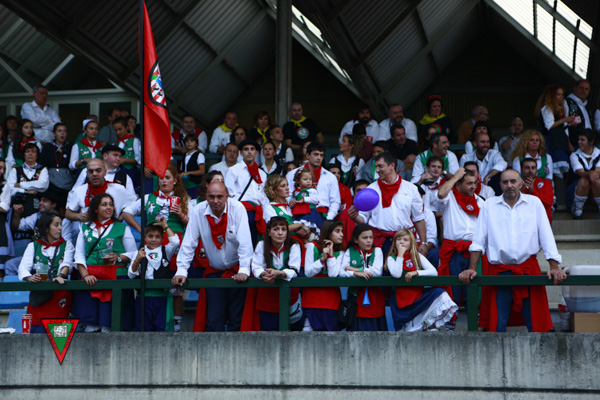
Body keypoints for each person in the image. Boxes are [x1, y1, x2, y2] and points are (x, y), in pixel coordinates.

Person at [459, 169, 566, 332]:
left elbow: (546, 237)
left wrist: (554, 267)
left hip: (528, 270)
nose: (509, 185)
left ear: (521, 183)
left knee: (537, 324)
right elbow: (478, 240)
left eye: (513, 181)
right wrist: (471, 268)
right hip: (499, 272)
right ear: (500, 185)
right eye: (505, 182)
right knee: (496, 326)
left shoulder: (534, 203)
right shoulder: (489, 205)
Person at [173, 182, 253, 332]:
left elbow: (245, 241)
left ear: (227, 196)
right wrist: (181, 270)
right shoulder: (198, 211)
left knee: (237, 320)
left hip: (237, 273)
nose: (215, 201)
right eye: (211, 197)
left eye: (219, 197)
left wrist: (244, 269)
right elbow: (189, 242)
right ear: (206, 196)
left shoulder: (237, 208)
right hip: (215, 272)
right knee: (214, 320)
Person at [73, 193, 137, 332]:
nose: (109, 207)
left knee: (113, 323)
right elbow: (79, 254)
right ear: (96, 209)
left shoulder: (122, 228)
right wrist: (85, 275)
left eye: (111, 204)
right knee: (91, 324)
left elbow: (133, 253)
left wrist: (118, 257)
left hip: (116, 276)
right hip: (91, 278)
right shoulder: (85, 228)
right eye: (104, 204)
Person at [348, 152, 427, 257]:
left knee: (405, 268)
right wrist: (355, 216)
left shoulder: (411, 188)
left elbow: (419, 218)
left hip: (404, 240)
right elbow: (363, 219)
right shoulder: (371, 190)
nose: (377, 170)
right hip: (380, 241)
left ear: (392, 166)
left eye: (380, 166)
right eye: (376, 166)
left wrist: (423, 243)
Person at [435, 168, 484, 325]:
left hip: (474, 251)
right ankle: (450, 326)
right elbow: (440, 194)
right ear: (458, 184)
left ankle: (474, 325)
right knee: (451, 290)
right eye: (469, 183)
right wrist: (455, 176)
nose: (473, 186)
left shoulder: (480, 201)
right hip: (453, 251)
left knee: (474, 291)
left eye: (475, 183)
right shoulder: (450, 198)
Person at [387, 229, 457, 332]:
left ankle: (430, 325)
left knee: (439, 292)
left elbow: (434, 272)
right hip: (400, 300)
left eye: (405, 240)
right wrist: (400, 255)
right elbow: (396, 274)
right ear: (394, 242)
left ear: (411, 243)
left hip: (417, 296)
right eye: (399, 239)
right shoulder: (391, 258)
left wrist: (416, 272)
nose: (401, 242)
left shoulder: (417, 256)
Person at [17, 212, 74, 333]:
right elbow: (23, 268)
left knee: (59, 339)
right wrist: (30, 277)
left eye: (61, 225)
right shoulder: (33, 246)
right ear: (47, 228)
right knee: (36, 335)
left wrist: (61, 276)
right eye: (56, 225)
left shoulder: (67, 245)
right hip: (40, 296)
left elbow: (67, 264)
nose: (60, 228)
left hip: (59, 295)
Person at [127, 217, 180, 331]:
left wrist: (165, 225)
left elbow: (175, 242)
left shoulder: (166, 251)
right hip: (143, 297)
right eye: (150, 236)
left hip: (161, 298)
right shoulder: (139, 253)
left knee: (162, 329)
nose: (154, 240)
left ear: (162, 238)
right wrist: (137, 260)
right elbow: (131, 275)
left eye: (157, 236)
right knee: (144, 329)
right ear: (145, 237)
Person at [251, 217, 304, 331]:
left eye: (283, 229)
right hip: (267, 297)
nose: (280, 233)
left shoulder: (294, 245)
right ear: (269, 232)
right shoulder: (262, 244)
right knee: (268, 334)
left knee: (292, 333)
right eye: (276, 229)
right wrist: (264, 274)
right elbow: (256, 267)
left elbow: (295, 270)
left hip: (290, 297)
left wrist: (279, 273)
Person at [65, 159, 137, 239]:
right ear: (87, 174)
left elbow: (135, 204)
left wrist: (123, 215)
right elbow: (68, 213)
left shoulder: (118, 189)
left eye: (98, 170)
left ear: (105, 172)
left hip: (112, 235)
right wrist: (79, 216)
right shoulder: (79, 190)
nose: (94, 174)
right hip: (87, 236)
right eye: (91, 171)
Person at [338, 224, 385, 331]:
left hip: (374, 297)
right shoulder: (349, 251)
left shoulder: (377, 251)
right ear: (356, 239)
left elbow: (377, 272)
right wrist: (356, 273)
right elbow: (342, 272)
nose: (369, 241)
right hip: (355, 298)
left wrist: (355, 269)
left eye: (371, 237)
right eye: (365, 238)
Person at [303, 220, 345, 331]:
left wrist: (330, 256)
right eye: (337, 231)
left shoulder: (340, 252)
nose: (341, 234)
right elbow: (308, 272)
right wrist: (322, 259)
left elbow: (333, 274)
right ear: (328, 232)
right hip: (311, 300)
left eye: (342, 231)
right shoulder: (312, 246)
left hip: (332, 301)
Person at [225, 139, 268, 245]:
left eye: (252, 149)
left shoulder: (262, 174)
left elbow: (263, 196)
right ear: (241, 153)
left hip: (258, 211)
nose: (249, 152)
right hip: (240, 209)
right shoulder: (233, 170)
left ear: (256, 152)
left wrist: (267, 213)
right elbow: (228, 194)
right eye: (246, 149)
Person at [286, 141, 341, 221]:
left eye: (321, 155)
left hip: (323, 216)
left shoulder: (331, 177)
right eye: (316, 154)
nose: (319, 158)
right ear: (307, 155)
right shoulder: (292, 174)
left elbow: (335, 202)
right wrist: (292, 217)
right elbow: (287, 196)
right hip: (298, 215)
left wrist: (328, 218)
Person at [535, 84, 573, 176]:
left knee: (561, 172)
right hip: (551, 141)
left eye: (562, 94)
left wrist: (568, 142)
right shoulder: (547, 108)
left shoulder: (561, 109)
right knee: (551, 168)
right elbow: (549, 125)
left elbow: (564, 129)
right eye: (558, 94)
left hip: (560, 141)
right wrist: (565, 119)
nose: (561, 97)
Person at [4, 143, 49, 220]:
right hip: (18, 206)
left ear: (37, 155)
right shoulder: (15, 170)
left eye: (33, 151)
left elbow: (43, 185)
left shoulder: (43, 169)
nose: (30, 154)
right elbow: (9, 189)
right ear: (24, 154)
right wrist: (25, 191)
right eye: (27, 151)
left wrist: (20, 185)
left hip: (37, 206)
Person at [459, 129, 507, 194]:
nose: (486, 145)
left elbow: (502, 164)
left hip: (491, 186)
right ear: (475, 143)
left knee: (499, 175)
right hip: (471, 186)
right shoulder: (466, 158)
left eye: (488, 142)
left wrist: (487, 176)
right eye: (483, 142)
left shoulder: (494, 154)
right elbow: (461, 176)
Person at [39, 123, 74, 209]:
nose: (62, 133)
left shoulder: (70, 147)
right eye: (59, 131)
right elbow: (42, 163)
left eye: (64, 131)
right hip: (51, 178)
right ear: (54, 133)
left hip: (67, 179)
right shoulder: (48, 147)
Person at [569, 129, 600, 219]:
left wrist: (593, 174)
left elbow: (598, 172)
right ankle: (577, 211)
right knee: (584, 181)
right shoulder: (574, 155)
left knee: (597, 181)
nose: (579, 142)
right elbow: (581, 173)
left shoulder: (599, 153)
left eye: (582, 140)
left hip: (594, 193)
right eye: (579, 139)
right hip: (576, 190)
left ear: (591, 141)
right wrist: (590, 173)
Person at [520, 158, 554, 223]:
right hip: (521, 221)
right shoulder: (515, 184)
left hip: (540, 222)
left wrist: (533, 191)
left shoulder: (546, 183)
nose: (530, 170)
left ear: (536, 169)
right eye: (527, 168)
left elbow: (548, 204)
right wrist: (519, 193)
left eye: (533, 168)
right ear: (521, 169)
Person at [113, 116, 141, 187]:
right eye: (116, 130)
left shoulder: (134, 140)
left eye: (120, 129)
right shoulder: (116, 143)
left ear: (127, 127)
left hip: (132, 171)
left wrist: (125, 160)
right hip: (118, 171)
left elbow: (139, 160)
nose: (118, 132)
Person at [566, 79, 593, 148]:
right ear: (575, 88)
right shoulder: (568, 102)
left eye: (586, 89)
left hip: (588, 144)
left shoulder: (587, 105)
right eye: (581, 88)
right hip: (574, 143)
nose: (584, 91)